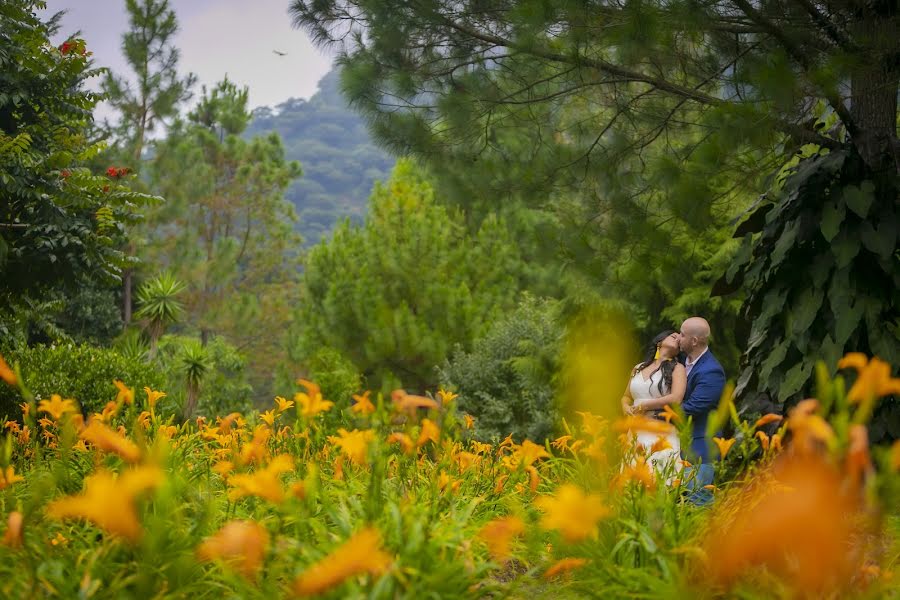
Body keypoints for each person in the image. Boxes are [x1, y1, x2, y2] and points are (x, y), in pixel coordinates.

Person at [620, 330, 686, 476]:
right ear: (659, 342)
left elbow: (676, 398)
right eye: (673, 336)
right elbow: (626, 396)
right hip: (636, 430)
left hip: (661, 429)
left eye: (679, 338)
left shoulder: (678, 368)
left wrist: (644, 406)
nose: (677, 338)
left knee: (658, 475)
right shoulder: (638, 368)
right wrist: (625, 407)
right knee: (633, 479)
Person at [677, 316, 726, 506]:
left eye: (681, 334)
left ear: (694, 340)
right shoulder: (683, 362)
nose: (678, 337)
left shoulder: (711, 370)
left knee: (698, 507)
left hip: (701, 451)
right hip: (682, 449)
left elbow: (694, 407)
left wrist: (659, 413)